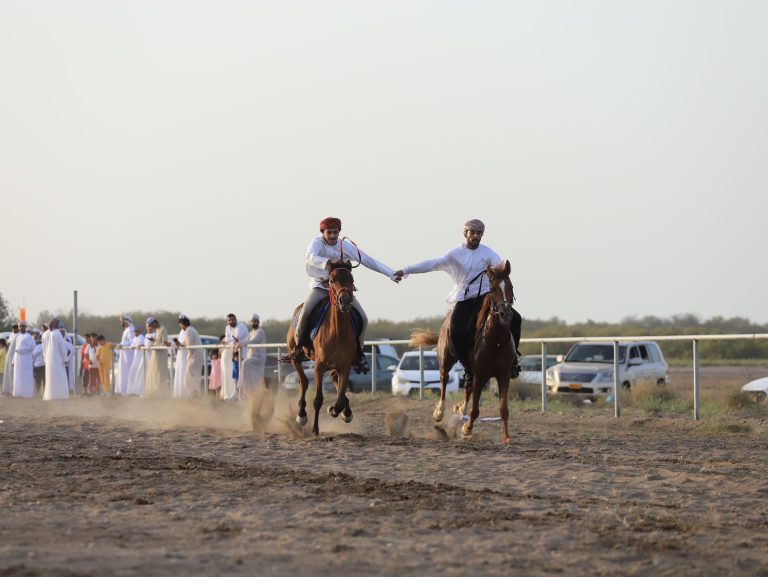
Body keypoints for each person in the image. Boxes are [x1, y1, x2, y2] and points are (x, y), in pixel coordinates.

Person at [394, 219, 522, 382]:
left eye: (479, 233)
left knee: (516, 318)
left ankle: (512, 361)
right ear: (465, 234)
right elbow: (431, 264)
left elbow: (501, 269)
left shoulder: (489, 254)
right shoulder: (454, 254)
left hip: (485, 298)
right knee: (454, 329)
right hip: (464, 298)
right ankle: (467, 365)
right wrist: (406, 270)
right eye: (472, 232)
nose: (476, 236)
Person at [283, 216, 398, 373]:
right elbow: (310, 257)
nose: (332, 236)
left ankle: (358, 354)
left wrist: (391, 273)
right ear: (322, 232)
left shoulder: (345, 246)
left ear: (339, 232)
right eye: (329, 232)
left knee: (363, 318)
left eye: (335, 232)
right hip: (320, 287)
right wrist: (328, 263)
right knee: (305, 313)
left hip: (341, 290)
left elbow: (367, 260)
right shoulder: (316, 243)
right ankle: (298, 348)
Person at [174, 315, 205, 398]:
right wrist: (178, 343)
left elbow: (189, 345)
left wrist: (188, 356)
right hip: (194, 356)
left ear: (183, 324)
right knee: (191, 378)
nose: (180, 326)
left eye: (180, 324)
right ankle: (195, 395)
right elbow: (184, 343)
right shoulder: (190, 330)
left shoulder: (189, 331)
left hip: (194, 356)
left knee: (189, 379)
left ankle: (196, 395)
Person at [221, 314, 248, 401]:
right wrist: (224, 340)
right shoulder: (227, 327)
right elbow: (228, 338)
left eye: (232, 320)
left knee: (242, 375)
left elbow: (235, 338)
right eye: (229, 320)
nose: (231, 321)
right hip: (235, 353)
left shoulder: (241, 326)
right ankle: (235, 394)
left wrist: (226, 341)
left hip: (243, 353)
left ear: (236, 319)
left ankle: (242, 396)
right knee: (235, 374)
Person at [42, 318, 70, 400]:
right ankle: (60, 394)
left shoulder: (46, 334)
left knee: (50, 377)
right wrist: (65, 359)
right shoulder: (58, 334)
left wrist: (45, 359)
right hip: (58, 359)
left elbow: (44, 349)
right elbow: (62, 348)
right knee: (60, 376)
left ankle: (51, 395)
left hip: (48, 359)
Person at [242, 313, 267, 394]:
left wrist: (241, 344)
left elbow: (253, 341)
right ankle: (249, 391)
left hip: (258, 358)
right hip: (251, 357)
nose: (253, 323)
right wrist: (238, 343)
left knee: (245, 363)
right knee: (246, 369)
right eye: (252, 321)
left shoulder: (260, 331)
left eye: (255, 321)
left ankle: (255, 392)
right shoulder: (251, 332)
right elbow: (246, 341)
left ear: (258, 322)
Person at [144, 317, 169, 396]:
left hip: (161, 356)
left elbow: (165, 343)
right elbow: (158, 340)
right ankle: (154, 392)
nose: (151, 327)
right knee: (153, 374)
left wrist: (155, 346)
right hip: (155, 355)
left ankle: (161, 393)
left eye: (151, 325)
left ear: (155, 323)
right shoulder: (157, 330)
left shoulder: (162, 329)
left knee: (160, 374)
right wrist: (153, 340)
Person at [12, 321, 35, 398]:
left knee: (26, 376)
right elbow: (16, 349)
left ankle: (26, 393)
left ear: (25, 327)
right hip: (18, 359)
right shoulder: (18, 337)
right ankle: (18, 393)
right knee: (18, 376)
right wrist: (13, 360)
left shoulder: (29, 336)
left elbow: (32, 347)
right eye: (20, 326)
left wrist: (21, 351)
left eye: (22, 326)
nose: (21, 327)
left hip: (26, 359)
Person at [115, 316, 135, 396]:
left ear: (126, 321)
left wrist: (122, 345)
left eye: (122, 321)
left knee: (128, 372)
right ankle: (124, 390)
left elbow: (132, 342)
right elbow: (124, 342)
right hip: (124, 354)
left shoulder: (130, 329)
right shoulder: (126, 330)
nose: (121, 323)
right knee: (124, 372)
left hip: (129, 354)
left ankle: (129, 391)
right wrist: (119, 344)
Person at [126, 326, 146, 396]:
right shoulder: (135, 338)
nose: (135, 333)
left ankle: (138, 391)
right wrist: (135, 346)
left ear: (139, 332)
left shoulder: (141, 337)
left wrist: (136, 346)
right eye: (135, 332)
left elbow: (139, 344)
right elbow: (132, 345)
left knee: (139, 374)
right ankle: (132, 390)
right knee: (132, 373)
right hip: (136, 358)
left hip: (141, 358)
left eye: (137, 331)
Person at [2, 323, 18, 395]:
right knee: (8, 371)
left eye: (15, 327)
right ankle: (7, 389)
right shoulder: (11, 335)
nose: (14, 329)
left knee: (13, 372)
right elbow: (8, 343)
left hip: (15, 354)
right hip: (9, 354)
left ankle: (13, 389)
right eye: (13, 328)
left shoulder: (19, 335)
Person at [32, 329, 45, 396]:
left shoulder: (38, 347)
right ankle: (44, 392)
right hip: (44, 366)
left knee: (38, 380)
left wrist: (32, 362)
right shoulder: (44, 347)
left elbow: (33, 355)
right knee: (44, 380)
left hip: (37, 366)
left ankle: (38, 393)